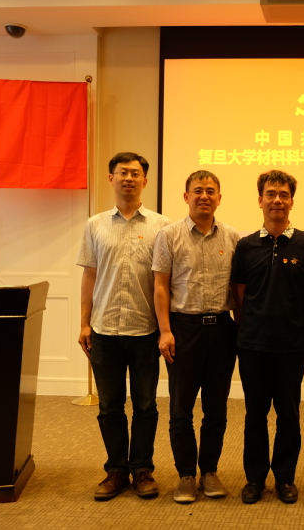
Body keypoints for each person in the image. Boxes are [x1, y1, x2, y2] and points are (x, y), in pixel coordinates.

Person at [76, 152, 170, 501]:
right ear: (111, 178)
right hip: (104, 330)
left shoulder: (162, 226)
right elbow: (89, 276)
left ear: (145, 180)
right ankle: (116, 470)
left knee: (146, 406)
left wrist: (165, 329)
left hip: (145, 330)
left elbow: (165, 282)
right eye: (122, 172)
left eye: (135, 173)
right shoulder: (95, 224)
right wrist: (84, 323)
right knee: (109, 407)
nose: (128, 178)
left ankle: (142, 469)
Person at [230, 170, 304, 505]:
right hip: (252, 344)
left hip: (291, 343)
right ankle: (254, 478)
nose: (277, 200)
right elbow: (239, 293)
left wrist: (295, 318)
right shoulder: (246, 245)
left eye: (283, 194)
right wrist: (252, 322)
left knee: (288, 414)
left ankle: (285, 478)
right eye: (271, 194)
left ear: (292, 201)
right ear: (260, 200)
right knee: (254, 414)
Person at [151, 170, 239, 504]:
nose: (204, 196)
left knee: (216, 408)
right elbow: (160, 286)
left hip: (222, 330)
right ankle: (186, 475)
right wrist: (165, 331)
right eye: (198, 190)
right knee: (180, 408)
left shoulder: (233, 238)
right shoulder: (169, 235)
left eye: (211, 191)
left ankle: (210, 471)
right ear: (186, 196)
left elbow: (239, 290)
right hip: (183, 330)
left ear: (219, 198)